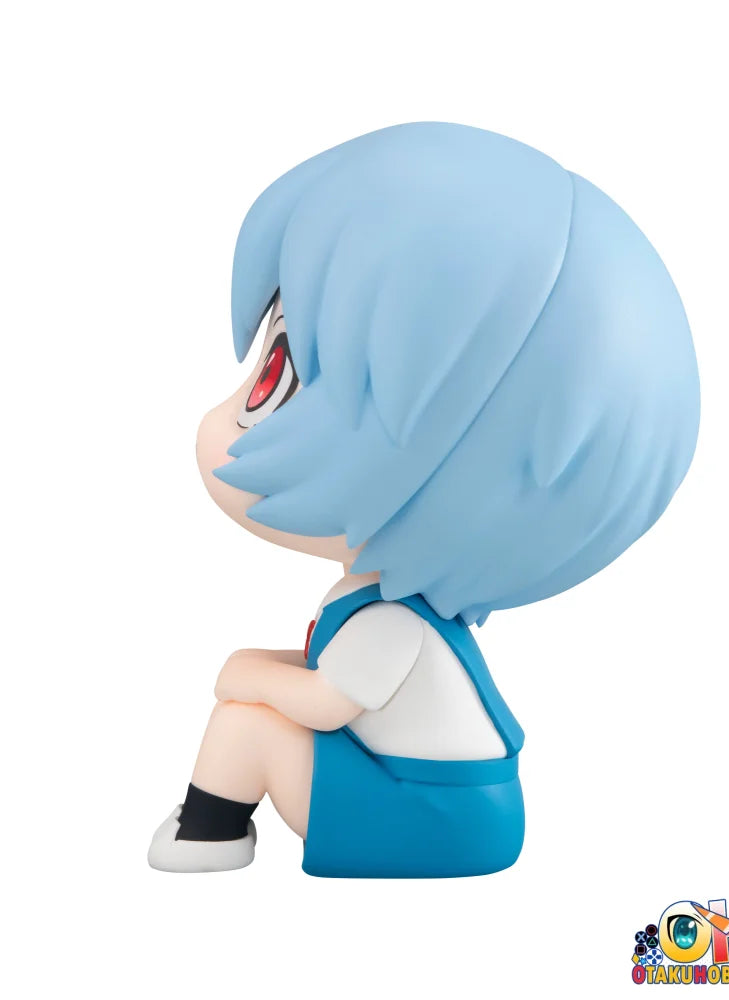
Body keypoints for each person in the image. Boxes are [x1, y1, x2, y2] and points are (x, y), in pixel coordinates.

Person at [148, 122, 700, 877]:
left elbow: (327, 703)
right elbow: (332, 682)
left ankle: (206, 836)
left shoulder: (391, 623)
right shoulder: (387, 605)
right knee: (249, 706)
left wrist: (245, 673)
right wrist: (259, 667)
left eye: (280, 376)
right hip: (433, 798)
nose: (223, 419)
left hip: (439, 817)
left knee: (245, 725)